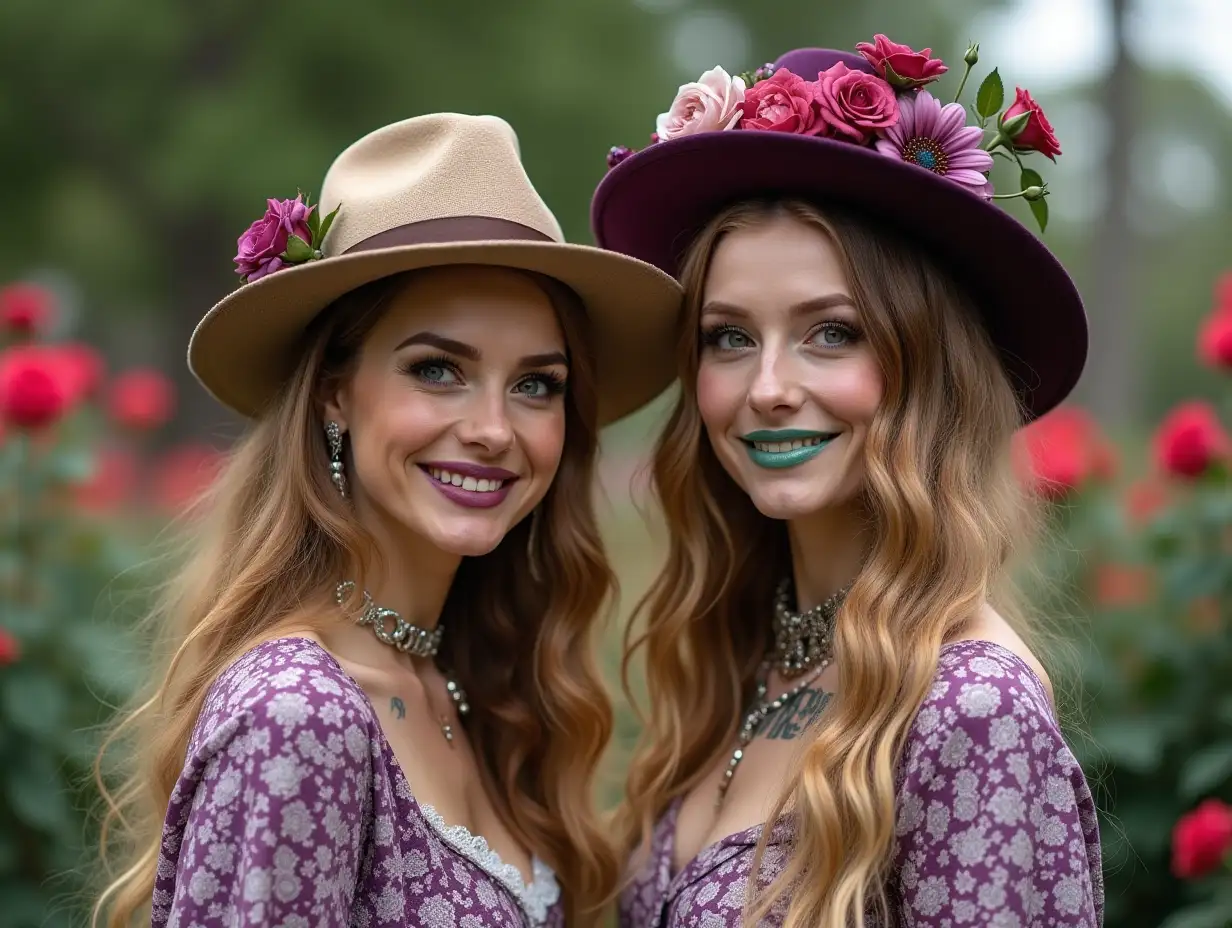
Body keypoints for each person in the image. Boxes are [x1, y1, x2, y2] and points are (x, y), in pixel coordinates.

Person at [92, 113, 681, 928]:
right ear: (336, 392)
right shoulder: (300, 715)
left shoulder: (480, 689)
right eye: (438, 370)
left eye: (536, 384)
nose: (494, 429)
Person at [592, 41, 1102, 927]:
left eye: (831, 333)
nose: (768, 388)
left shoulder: (969, 710)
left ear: (924, 368)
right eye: (728, 337)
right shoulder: (745, 662)